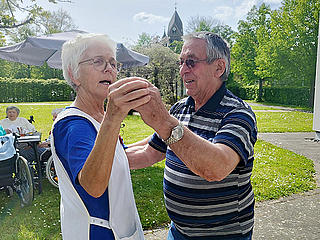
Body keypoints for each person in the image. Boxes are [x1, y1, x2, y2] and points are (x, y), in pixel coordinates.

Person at [127, 32, 258, 240]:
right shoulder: (180, 108)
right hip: (178, 232)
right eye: (181, 62)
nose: (182, 70)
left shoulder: (238, 114)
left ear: (219, 68)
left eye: (191, 62)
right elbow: (150, 152)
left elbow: (216, 168)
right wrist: (107, 151)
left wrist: (162, 120)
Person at [51, 33, 149, 239]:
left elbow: (120, 158)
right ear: (74, 74)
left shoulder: (100, 117)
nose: (109, 68)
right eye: (98, 61)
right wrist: (114, 118)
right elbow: (93, 186)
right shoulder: (74, 124)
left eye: (113, 63)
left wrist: (167, 132)